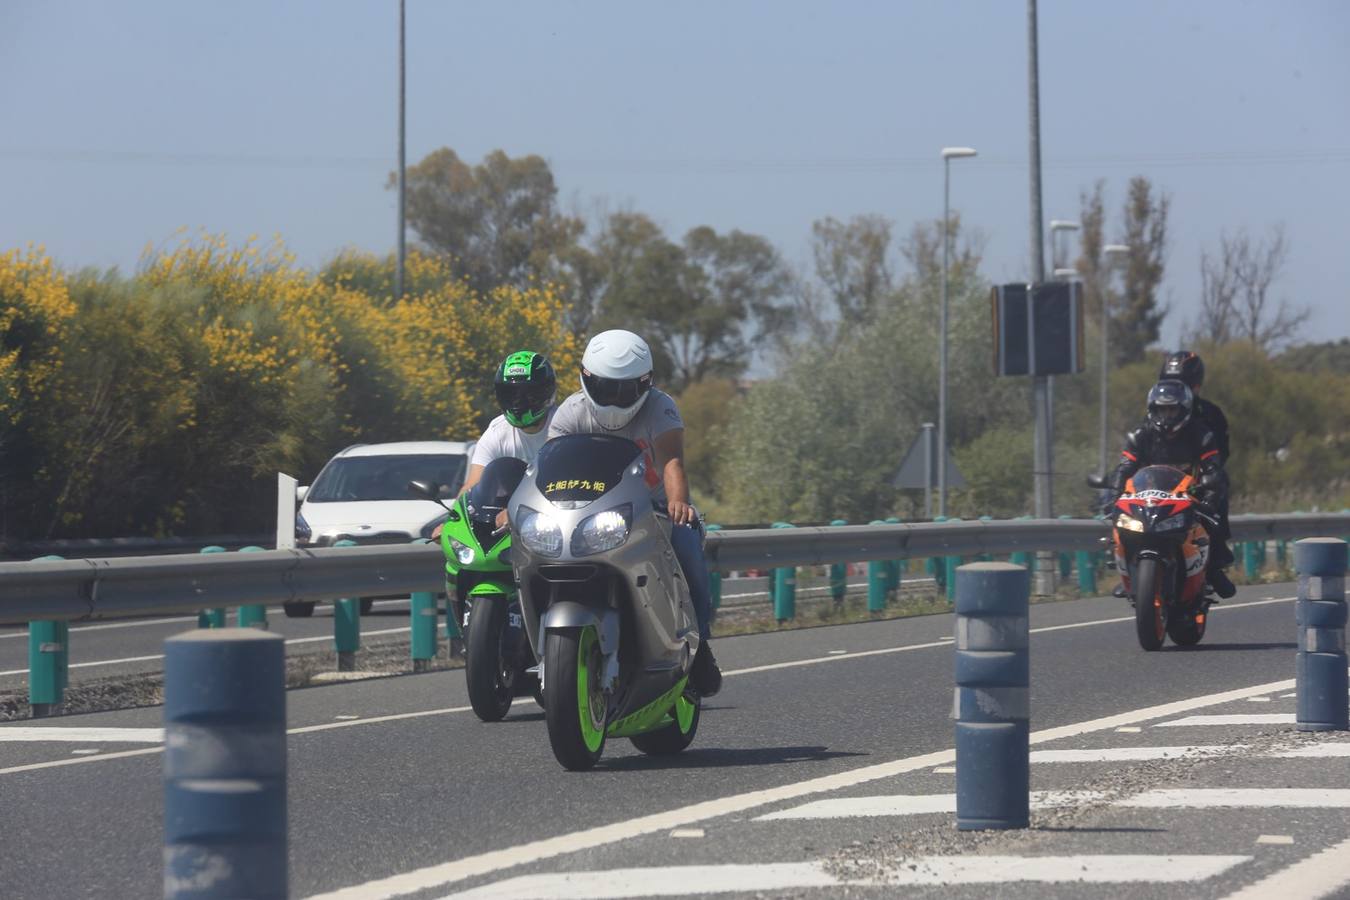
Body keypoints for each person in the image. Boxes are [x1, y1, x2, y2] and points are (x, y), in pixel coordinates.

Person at [547, 329, 723, 697]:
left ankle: (700, 644)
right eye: (605, 389)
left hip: (652, 509)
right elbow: (548, 468)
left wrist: (679, 503)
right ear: (586, 379)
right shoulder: (569, 412)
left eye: (625, 391)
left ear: (646, 384)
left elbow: (672, 460)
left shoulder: (660, 407)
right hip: (587, 514)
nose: (613, 401)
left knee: (688, 545)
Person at [1108, 379, 1236, 599]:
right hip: (1147, 498)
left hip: (1189, 496)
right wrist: (1114, 494)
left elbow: (1212, 467)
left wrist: (1210, 491)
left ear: (1184, 410)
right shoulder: (1140, 435)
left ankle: (1213, 568)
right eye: (1161, 410)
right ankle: (1129, 573)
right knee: (1121, 525)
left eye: (1172, 410)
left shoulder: (1201, 435)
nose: (1166, 416)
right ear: (1151, 410)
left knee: (1211, 519)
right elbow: (1125, 467)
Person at [1159, 349, 1234, 571]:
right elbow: (1140, 447)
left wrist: (1207, 475)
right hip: (1158, 481)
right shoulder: (1156, 411)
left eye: (1182, 383)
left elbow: (1221, 454)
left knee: (1221, 483)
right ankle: (1127, 560)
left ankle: (1216, 553)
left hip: (1195, 481)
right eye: (1169, 383)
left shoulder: (1211, 413)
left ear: (1196, 386)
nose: (1175, 390)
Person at [461, 351, 558, 514]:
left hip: (558, 515)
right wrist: (453, 518)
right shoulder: (496, 432)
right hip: (505, 525)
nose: (517, 402)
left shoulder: (565, 425)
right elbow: (472, 485)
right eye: (510, 395)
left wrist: (518, 509)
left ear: (546, 393)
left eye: (528, 395)